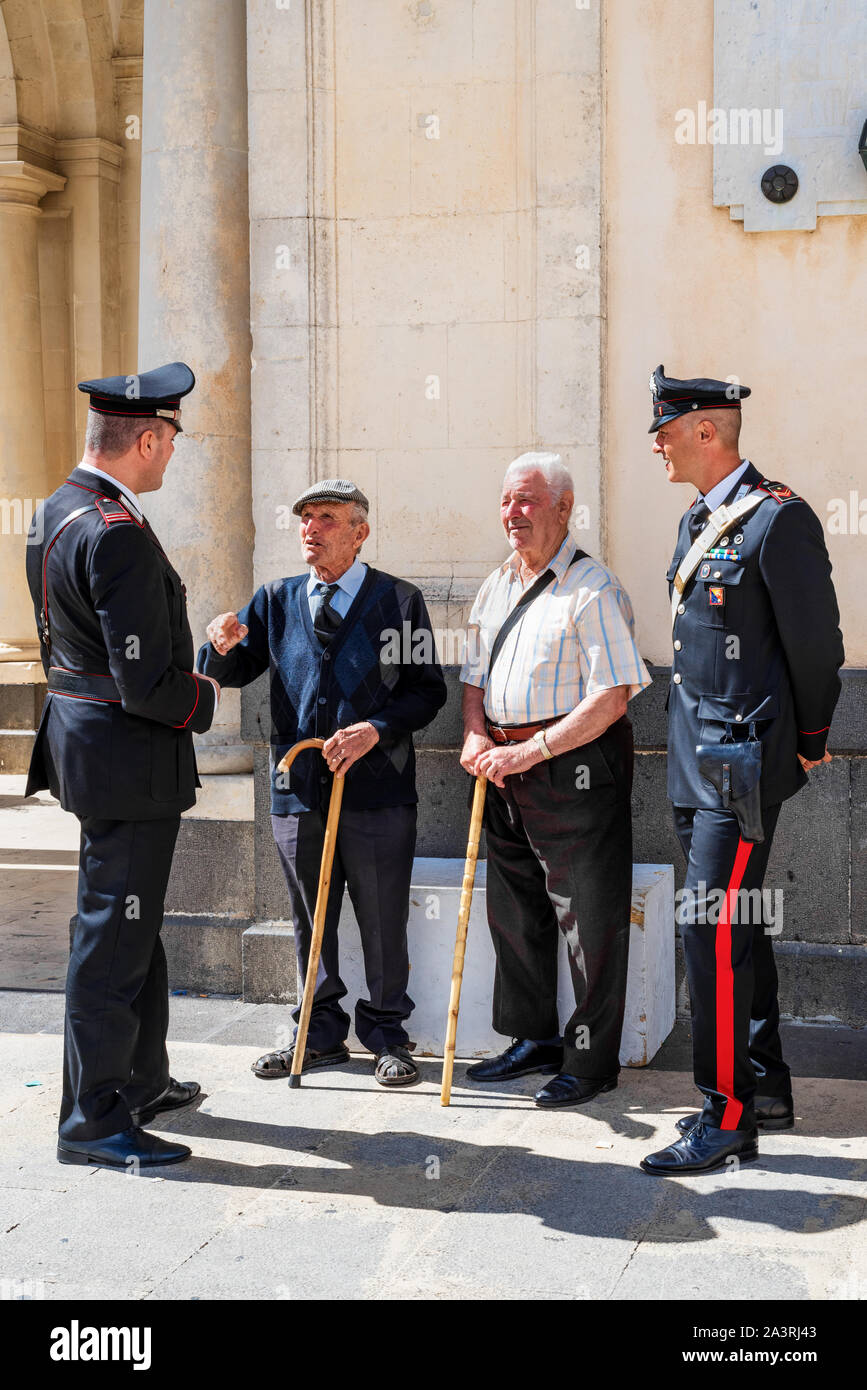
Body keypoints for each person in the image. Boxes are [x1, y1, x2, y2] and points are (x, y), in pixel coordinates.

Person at [640, 366, 844, 1176]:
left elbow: (816, 645)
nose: (656, 443)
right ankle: (762, 1088)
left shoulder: (774, 520)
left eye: (664, 430)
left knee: (708, 928)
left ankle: (721, 1117)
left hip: (741, 765)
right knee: (739, 925)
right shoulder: (700, 518)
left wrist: (807, 738)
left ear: (704, 430)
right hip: (697, 760)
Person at [25, 362, 219, 1169]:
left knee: (129, 923)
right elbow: (147, 684)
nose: (174, 452)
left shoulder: (54, 513)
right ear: (146, 438)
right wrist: (204, 693)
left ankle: (140, 1077)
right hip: (130, 761)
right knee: (111, 937)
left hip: (88, 748)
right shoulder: (116, 532)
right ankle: (93, 1117)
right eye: (171, 438)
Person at [198, 478, 447, 1087]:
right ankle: (317, 1032)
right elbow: (231, 672)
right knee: (310, 918)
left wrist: (376, 729)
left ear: (360, 532)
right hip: (298, 788)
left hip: (379, 790)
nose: (311, 527)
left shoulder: (399, 600)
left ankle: (388, 1034)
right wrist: (218, 645)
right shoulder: (276, 599)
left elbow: (428, 692)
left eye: (328, 518)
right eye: (306, 517)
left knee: (384, 916)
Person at [459, 452, 652, 1106]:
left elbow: (611, 696)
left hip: (570, 768)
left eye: (527, 502)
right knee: (515, 912)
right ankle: (532, 1038)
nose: (513, 515)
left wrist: (531, 750)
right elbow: (474, 680)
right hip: (502, 768)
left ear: (563, 509)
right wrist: (475, 734)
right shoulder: (496, 584)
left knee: (588, 919)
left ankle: (591, 1063)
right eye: (506, 501)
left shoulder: (592, 588)